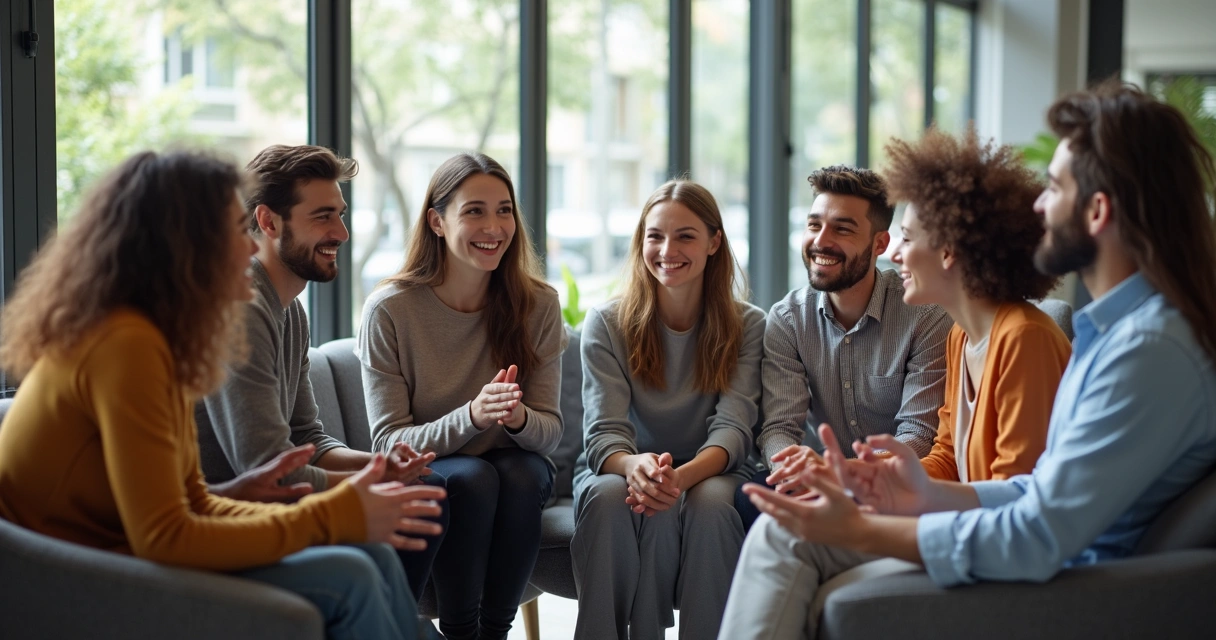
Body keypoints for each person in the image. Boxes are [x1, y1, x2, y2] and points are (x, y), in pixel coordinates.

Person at [722, 82, 1216, 639]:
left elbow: (1039, 530)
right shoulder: (1112, 335)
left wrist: (867, 531)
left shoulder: (1146, 351)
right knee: (784, 534)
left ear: (1098, 210)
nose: (1039, 204)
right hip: (1043, 551)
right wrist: (917, 492)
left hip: (1075, 585)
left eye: (1054, 187)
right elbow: (1040, 489)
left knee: (790, 537)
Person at [0, 150, 445, 640]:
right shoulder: (125, 345)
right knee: (353, 577)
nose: (250, 250)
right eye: (233, 231)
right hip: (77, 571)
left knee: (373, 558)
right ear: (182, 245)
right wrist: (335, 514)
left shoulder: (160, 340)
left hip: (116, 548)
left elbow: (188, 500)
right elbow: (166, 534)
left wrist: (235, 495)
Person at [719, 127, 1072, 638]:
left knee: (786, 537)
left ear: (949, 250)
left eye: (906, 238)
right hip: (953, 516)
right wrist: (876, 479)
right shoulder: (965, 339)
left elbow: (1013, 495)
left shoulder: (1024, 338)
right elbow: (947, 458)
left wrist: (889, 495)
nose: (896, 255)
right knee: (781, 526)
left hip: (988, 539)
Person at [195, 144, 441, 595]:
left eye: (341, 215)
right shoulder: (241, 308)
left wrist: (380, 463)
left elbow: (308, 437)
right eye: (323, 216)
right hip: (229, 515)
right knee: (409, 509)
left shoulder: (292, 313)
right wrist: (372, 483)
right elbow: (271, 469)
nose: (342, 233)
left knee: (430, 489)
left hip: (272, 502)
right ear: (269, 222)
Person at [357, 153, 565, 640]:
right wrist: (472, 416)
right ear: (436, 220)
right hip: (439, 473)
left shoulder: (539, 305)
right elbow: (389, 444)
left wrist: (516, 419)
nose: (493, 226)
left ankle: (493, 633)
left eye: (504, 210)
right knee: (471, 477)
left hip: (515, 470)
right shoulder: (390, 310)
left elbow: (549, 434)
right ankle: (461, 633)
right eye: (474, 210)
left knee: (520, 471)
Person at [571, 180, 764, 640]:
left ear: (714, 242)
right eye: (655, 235)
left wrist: (680, 478)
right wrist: (637, 467)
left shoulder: (750, 325)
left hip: (713, 469)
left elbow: (734, 428)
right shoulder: (606, 323)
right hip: (623, 467)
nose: (666, 249)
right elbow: (603, 433)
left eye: (686, 236)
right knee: (607, 498)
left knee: (714, 503)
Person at [736, 165, 951, 529]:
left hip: (896, 482)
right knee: (747, 502)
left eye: (842, 228)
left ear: (880, 244)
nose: (821, 240)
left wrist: (845, 472)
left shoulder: (925, 315)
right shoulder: (788, 319)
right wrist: (791, 466)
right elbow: (778, 427)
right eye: (814, 225)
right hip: (816, 478)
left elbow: (917, 435)